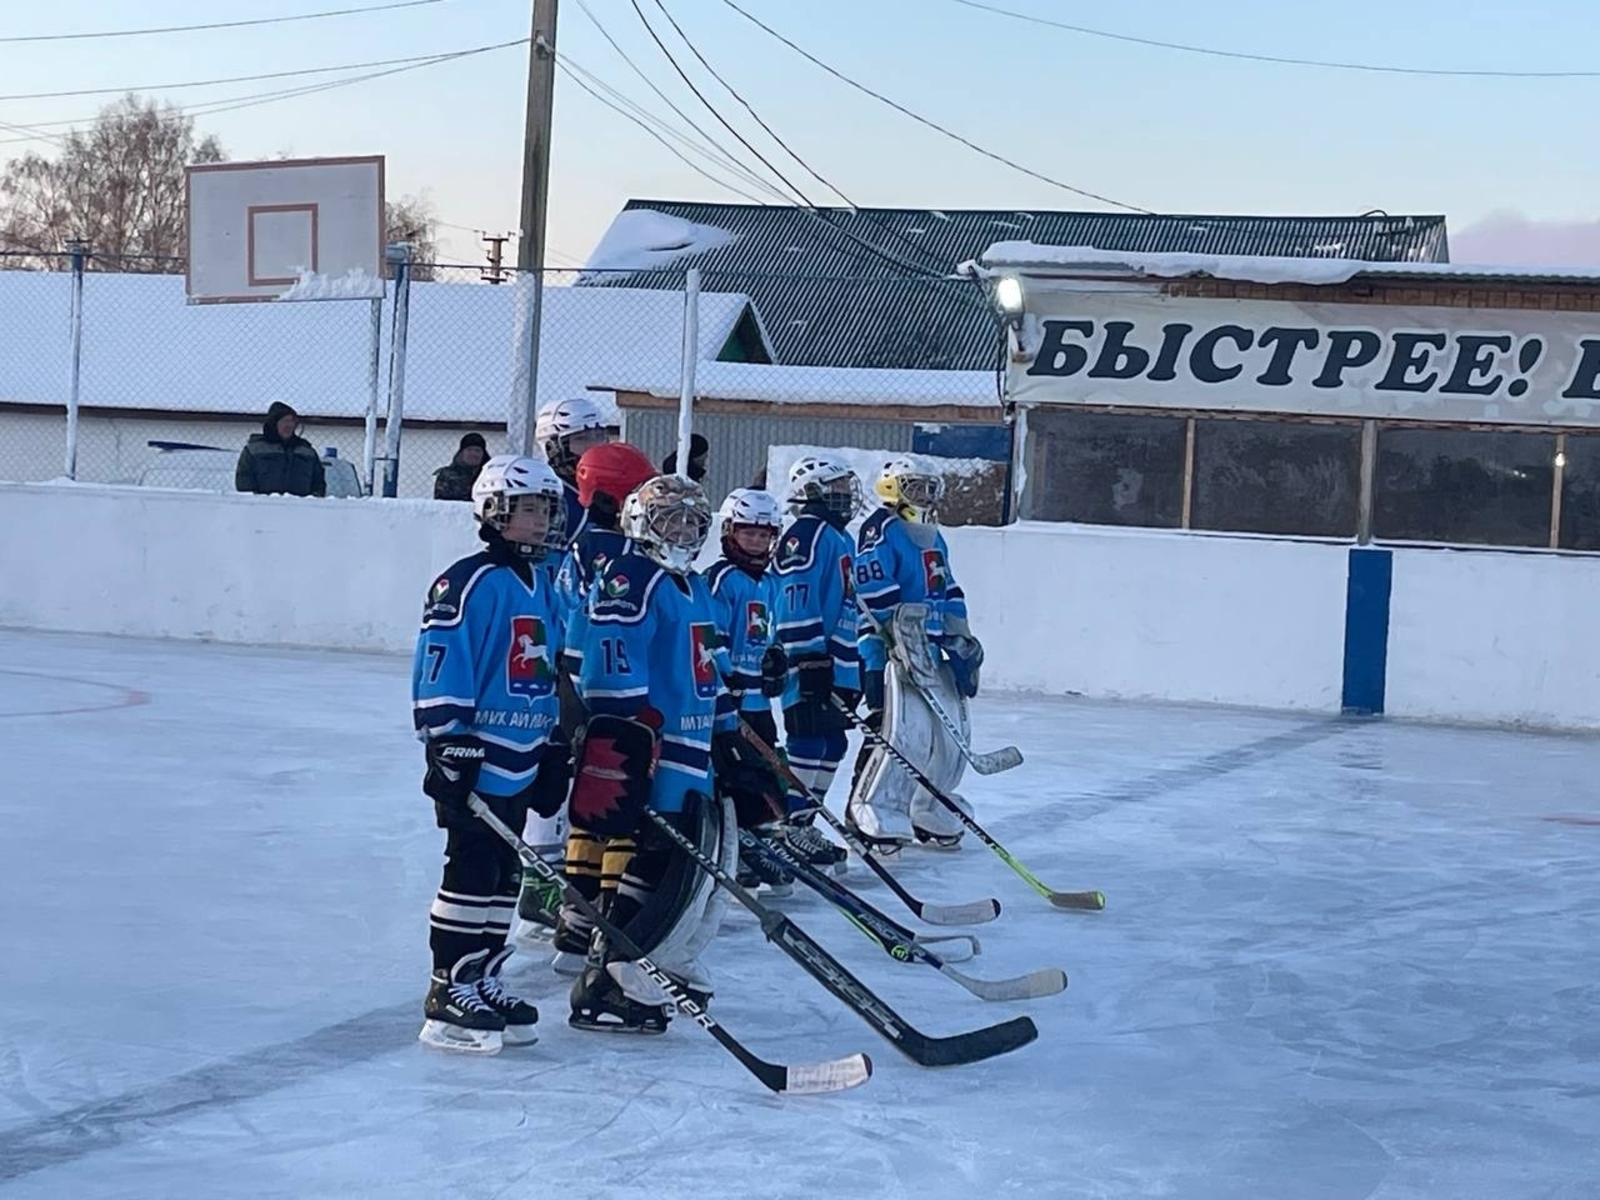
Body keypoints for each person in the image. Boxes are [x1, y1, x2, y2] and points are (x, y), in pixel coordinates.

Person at [560, 474, 739, 1033]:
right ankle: (611, 972)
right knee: (649, 856)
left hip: (693, 746)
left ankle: (659, 959)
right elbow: (611, 659)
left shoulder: (696, 586)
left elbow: (709, 666)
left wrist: (730, 729)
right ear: (641, 523)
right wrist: (633, 730)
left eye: (692, 521)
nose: (682, 530)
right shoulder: (632, 576)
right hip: (654, 748)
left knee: (685, 865)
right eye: (670, 520)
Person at [412, 454, 573, 1055]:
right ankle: (446, 987)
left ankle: (483, 974)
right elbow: (440, 658)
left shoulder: (543, 582)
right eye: (529, 509)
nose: (540, 521)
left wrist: (554, 738)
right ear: (495, 512)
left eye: (546, 510)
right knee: (471, 868)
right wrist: (447, 737)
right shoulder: (470, 579)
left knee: (506, 873)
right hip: (478, 752)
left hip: (523, 753)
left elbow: (547, 672)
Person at [517, 441, 658, 947]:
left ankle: (549, 886)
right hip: (596, 680)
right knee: (606, 790)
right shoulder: (621, 551)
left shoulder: (571, 542)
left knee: (576, 783)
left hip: (564, 673)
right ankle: (581, 899)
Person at [846, 458, 983, 851]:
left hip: (930, 651)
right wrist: (897, 632)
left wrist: (960, 637)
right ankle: (869, 807)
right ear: (892, 487)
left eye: (929, 488)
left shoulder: (933, 535)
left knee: (940, 736)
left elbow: (949, 588)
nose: (924, 495)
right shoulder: (881, 527)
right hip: (885, 648)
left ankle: (927, 806)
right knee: (893, 730)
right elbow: (872, 584)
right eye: (914, 486)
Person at [708, 488, 845, 878]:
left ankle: (763, 841)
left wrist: (776, 660)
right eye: (748, 532)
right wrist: (725, 676)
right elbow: (708, 634)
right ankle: (732, 851)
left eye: (765, 534)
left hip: (757, 705)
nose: (756, 541)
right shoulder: (720, 579)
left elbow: (767, 636)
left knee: (764, 774)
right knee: (731, 778)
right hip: (725, 706)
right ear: (730, 532)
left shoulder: (768, 583)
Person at [773, 456, 863, 833]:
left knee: (832, 744)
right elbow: (794, 596)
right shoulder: (805, 533)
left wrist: (850, 664)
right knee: (808, 740)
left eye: (846, 486)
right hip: (806, 662)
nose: (845, 494)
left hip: (836, 662)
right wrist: (807, 657)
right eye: (836, 487)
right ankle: (789, 826)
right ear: (812, 492)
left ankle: (807, 823)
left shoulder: (841, 536)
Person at [535, 397, 619, 543]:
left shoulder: (613, 487)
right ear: (552, 448)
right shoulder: (551, 496)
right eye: (581, 439)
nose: (595, 446)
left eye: (599, 436)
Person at [235, 401, 326, 497]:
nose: (289, 425)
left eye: (291, 421)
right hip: (263, 507)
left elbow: (318, 481)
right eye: (284, 421)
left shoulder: (307, 452)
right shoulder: (253, 450)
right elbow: (244, 480)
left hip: (301, 508)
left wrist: (314, 499)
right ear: (273, 424)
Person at [433, 432, 488, 501]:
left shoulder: (490, 475)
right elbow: (441, 503)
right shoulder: (447, 475)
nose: (473, 454)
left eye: (477, 450)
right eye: (469, 450)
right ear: (461, 453)